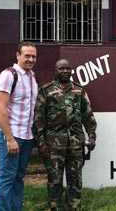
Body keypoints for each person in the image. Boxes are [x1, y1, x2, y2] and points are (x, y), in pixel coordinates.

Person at [34, 58, 97, 211]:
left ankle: (74, 206)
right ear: (55, 70)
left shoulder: (79, 90)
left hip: (76, 143)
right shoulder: (46, 90)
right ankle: (54, 206)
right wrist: (41, 143)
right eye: (61, 68)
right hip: (53, 144)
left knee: (75, 179)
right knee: (54, 179)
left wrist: (92, 136)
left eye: (68, 68)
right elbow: (38, 119)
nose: (65, 71)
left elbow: (87, 116)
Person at [0, 42, 38, 211]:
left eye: (33, 56)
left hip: (26, 136)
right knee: (6, 177)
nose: (30, 59)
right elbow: (0, 108)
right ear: (18, 55)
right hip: (10, 134)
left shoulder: (31, 76)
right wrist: (10, 139)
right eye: (27, 55)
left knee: (18, 177)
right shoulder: (8, 75)